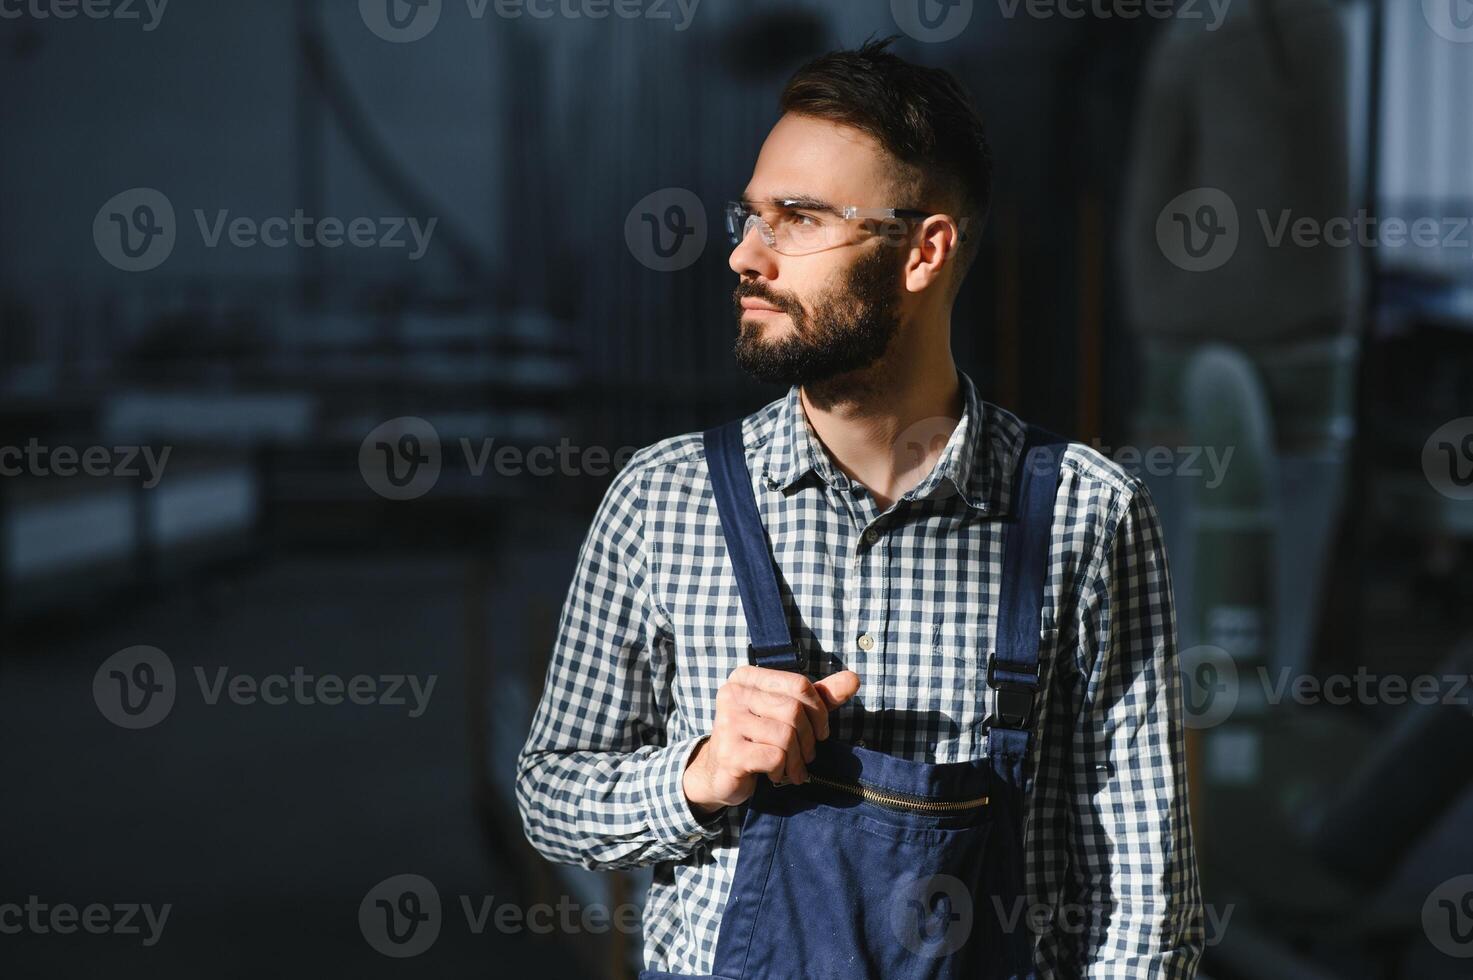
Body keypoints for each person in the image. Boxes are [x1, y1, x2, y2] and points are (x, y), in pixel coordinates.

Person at [517, 36, 1203, 979]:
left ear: (923, 251)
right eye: (749, 216)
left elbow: (1140, 890)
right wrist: (698, 775)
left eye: (795, 219)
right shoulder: (662, 499)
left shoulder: (1086, 516)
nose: (743, 256)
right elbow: (553, 796)